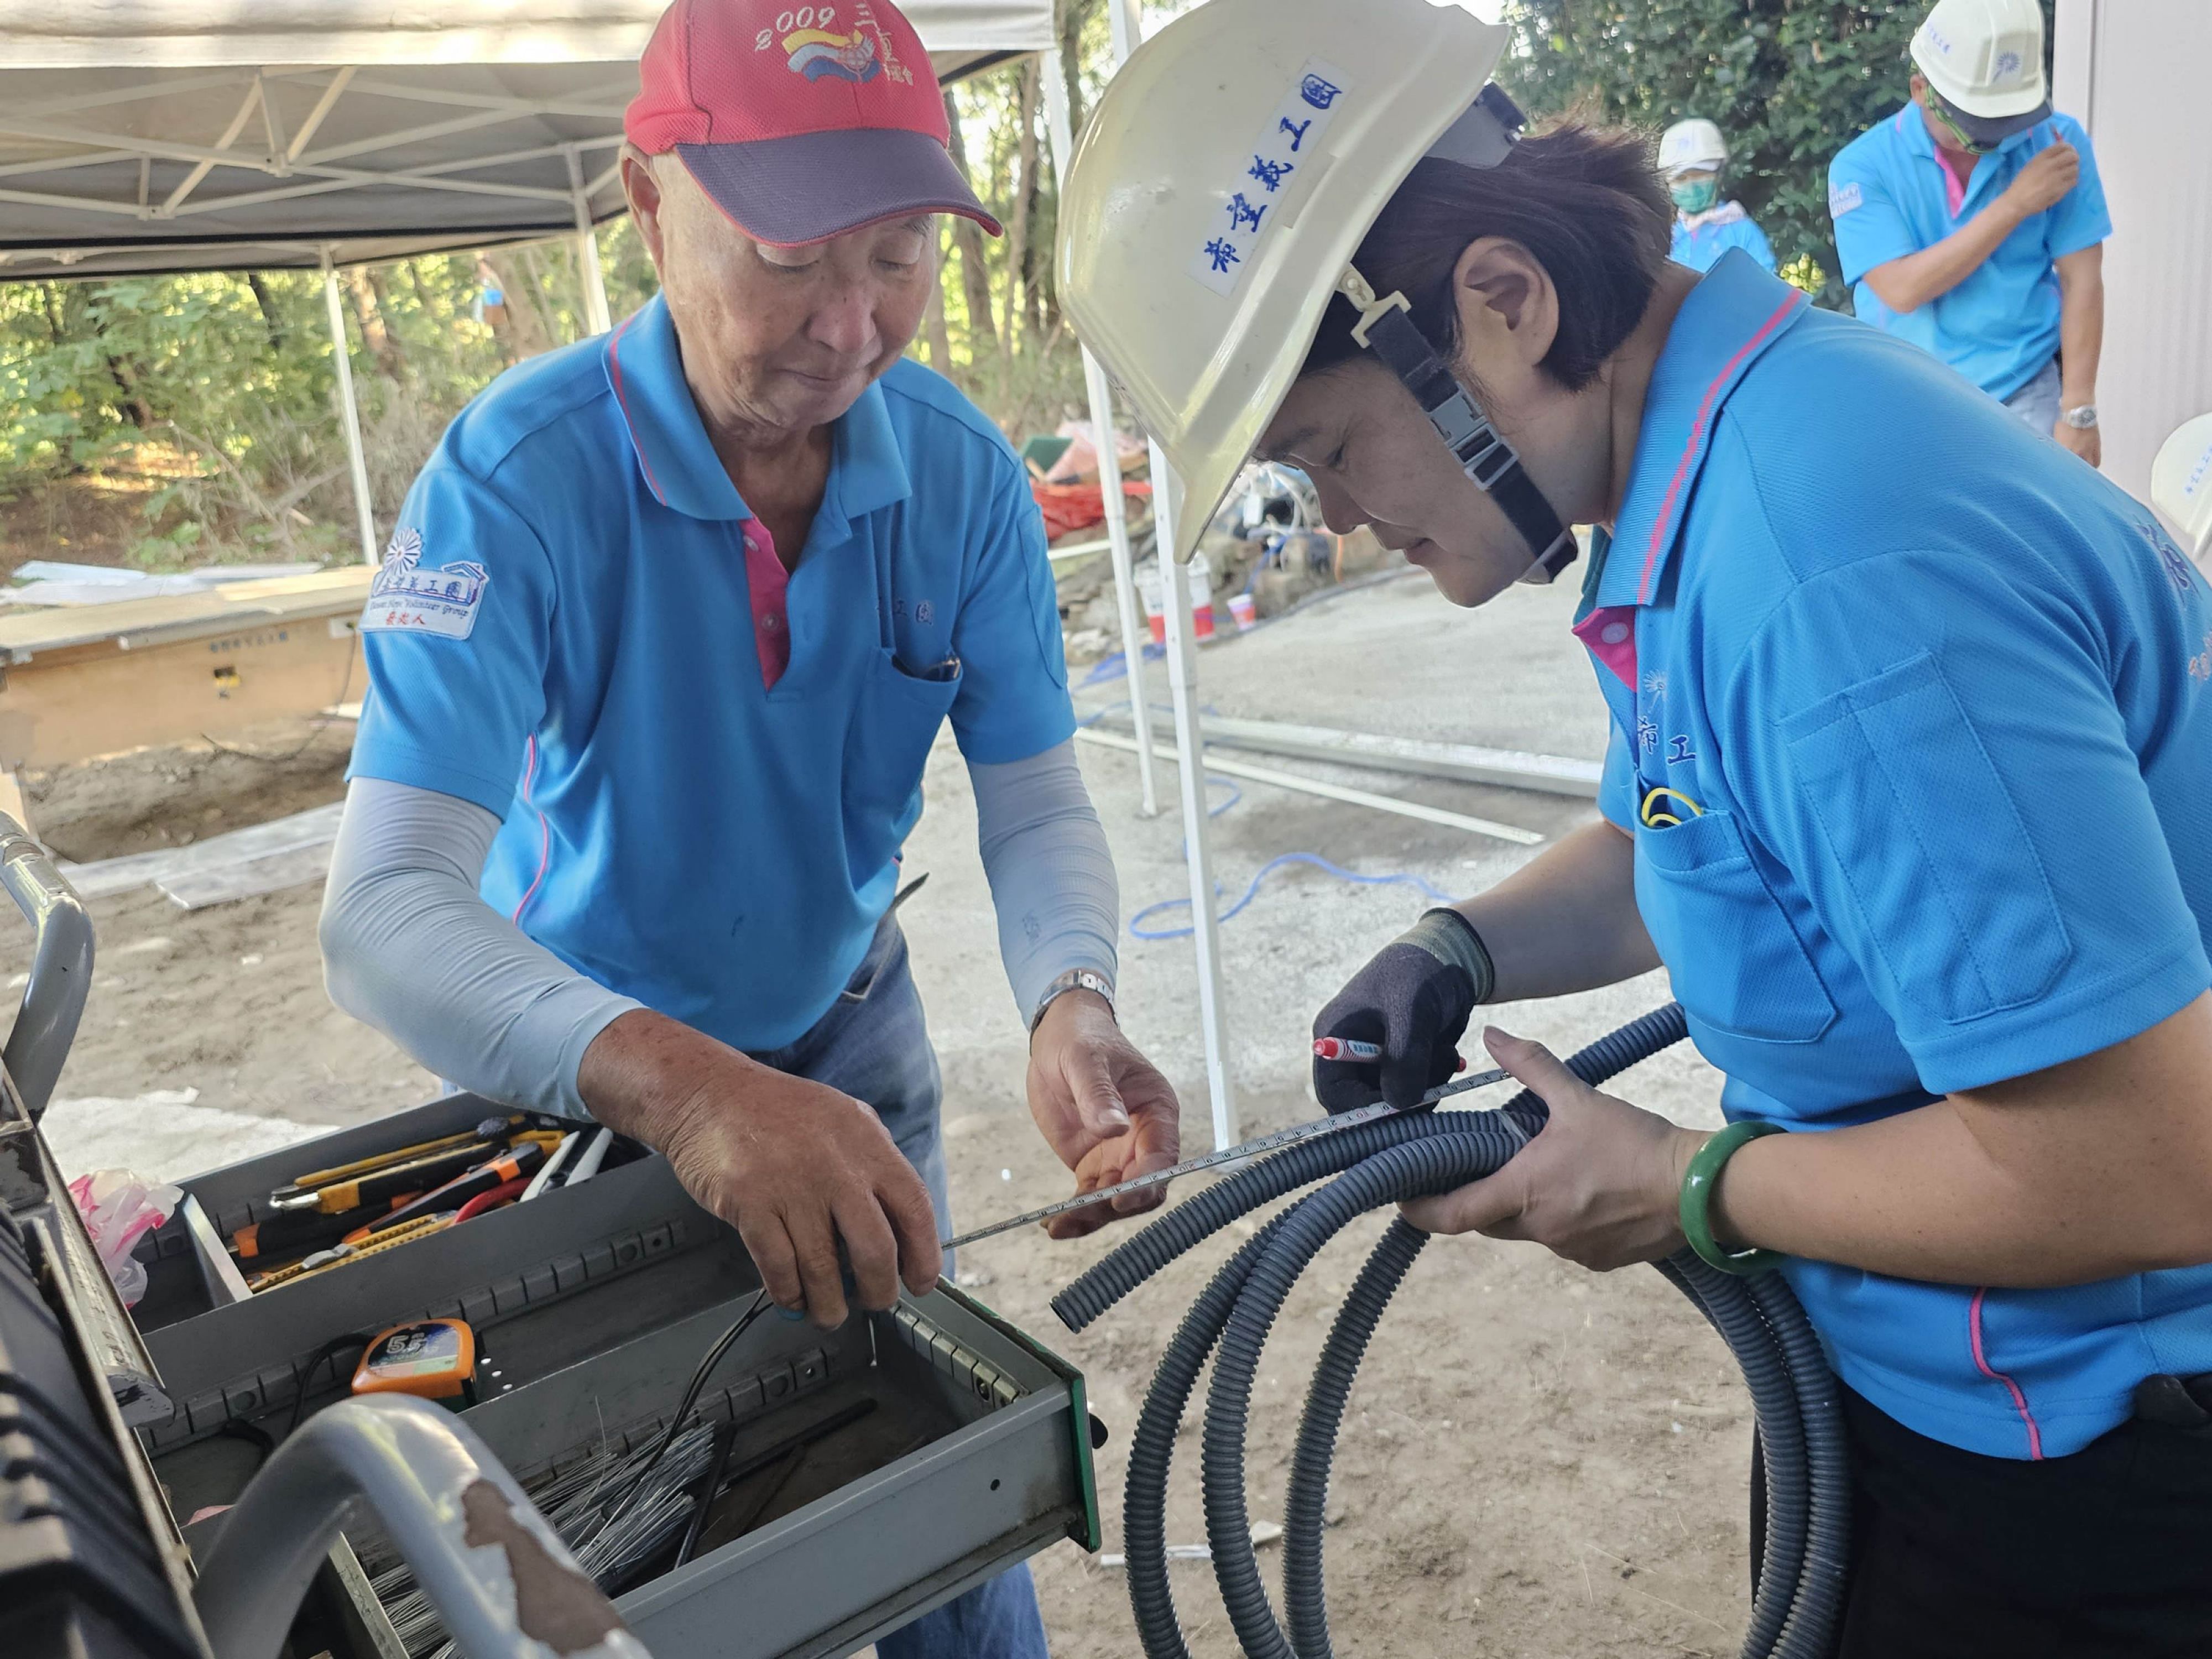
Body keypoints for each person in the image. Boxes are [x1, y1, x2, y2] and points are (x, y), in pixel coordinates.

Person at [1058, 0, 2212, 1652]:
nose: (1343, 519)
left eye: (1328, 447)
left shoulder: (1829, 568)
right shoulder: (1725, 460)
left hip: (2089, 1466)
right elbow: (1678, 839)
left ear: (1503, 302)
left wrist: (1688, 1183)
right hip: (1919, 1387)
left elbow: (2144, 1161)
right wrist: (1459, 948)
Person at [321, 0, 1185, 1650]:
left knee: (923, 1468)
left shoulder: (963, 483)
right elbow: (383, 910)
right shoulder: (515, 483)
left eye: (897, 257)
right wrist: (698, 1092)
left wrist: (1070, 997)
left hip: (848, 1042)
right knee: (625, 1517)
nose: (849, 328)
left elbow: (1032, 796)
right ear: (649, 206)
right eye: (789, 258)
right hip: (577, 1078)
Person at [1828, 0, 2109, 465]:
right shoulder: (1861, 168)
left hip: (2026, 391)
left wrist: (2079, 410)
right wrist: (2015, 205)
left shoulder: (2056, 143)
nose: (1996, 139)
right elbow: (1902, 290)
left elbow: (2083, 279)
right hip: (1906, 398)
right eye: (1977, 126)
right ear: (1921, 91)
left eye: (2009, 120)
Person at [1658, 118, 1776, 274]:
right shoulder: (1664, 234)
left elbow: (1766, 284)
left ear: (1719, 175)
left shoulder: (1742, 231)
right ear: (1668, 183)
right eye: (1680, 178)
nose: (1691, 185)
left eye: (1700, 174)